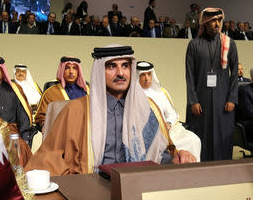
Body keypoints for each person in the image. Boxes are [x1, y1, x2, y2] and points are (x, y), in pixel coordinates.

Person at [26, 44, 196, 176]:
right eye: (111, 66)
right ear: (100, 71)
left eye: (125, 66)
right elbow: (49, 158)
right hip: (90, 189)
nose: (120, 73)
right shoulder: (75, 110)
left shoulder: (148, 108)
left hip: (140, 184)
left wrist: (178, 157)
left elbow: (161, 155)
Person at [185, 8, 238, 161]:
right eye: (213, 21)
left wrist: (232, 98)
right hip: (201, 98)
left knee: (222, 135)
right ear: (205, 23)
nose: (217, 24)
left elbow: (235, 73)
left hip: (223, 99)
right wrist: (193, 101)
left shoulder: (229, 44)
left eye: (219, 21)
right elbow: (189, 75)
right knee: (201, 134)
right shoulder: (194, 45)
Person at [137, 61, 201, 161]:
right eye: (143, 75)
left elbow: (172, 114)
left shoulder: (160, 92)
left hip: (169, 131)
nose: (147, 79)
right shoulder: (135, 97)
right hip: (152, 135)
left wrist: (169, 123)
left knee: (193, 139)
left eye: (149, 74)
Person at [34, 56, 89, 129]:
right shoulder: (51, 92)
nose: (71, 72)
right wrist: (45, 127)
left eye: (75, 68)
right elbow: (40, 117)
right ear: (62, 70)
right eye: (67, 68)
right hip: (60, 134)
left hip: (85, 133)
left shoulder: (88, 91)